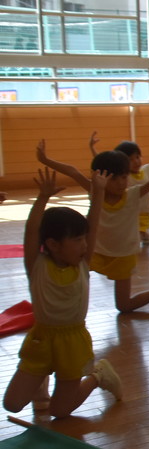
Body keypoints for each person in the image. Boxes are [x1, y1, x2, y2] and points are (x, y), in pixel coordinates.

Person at [4, 169, 122, 419]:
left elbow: (94, 223)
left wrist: (99, 192)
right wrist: (42, 197)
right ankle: (41, 386)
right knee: (12, 404)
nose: (85, 245)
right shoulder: (36, 265)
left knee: (59, 412)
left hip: (73, 343)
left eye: (84, 239)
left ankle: (98, 375)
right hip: (41, 341)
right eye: (77, 240)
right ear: (53, 244)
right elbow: (31, 231)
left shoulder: (82, 264)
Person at [36, 142, 149, 312]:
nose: (120, 183)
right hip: (96, 252)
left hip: (123, 255)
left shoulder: (133, 194)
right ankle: (63, 307)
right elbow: (73, 171)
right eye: (114, 179)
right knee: (73, 273)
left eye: (124, 177)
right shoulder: (96, 191)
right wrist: (45, 160)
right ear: (100, 177)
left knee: (124, 306)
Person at [90, 126, 149, 244]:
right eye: (130, 159)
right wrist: (92, 148)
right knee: (134, 233)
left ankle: (143, 234)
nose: (136, 161)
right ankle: (139, 236)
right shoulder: (124, 175)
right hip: (129, 210)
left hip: (144, 210)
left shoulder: (146, 169)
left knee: (143, 234)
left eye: (137, 157)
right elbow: (104, 163)